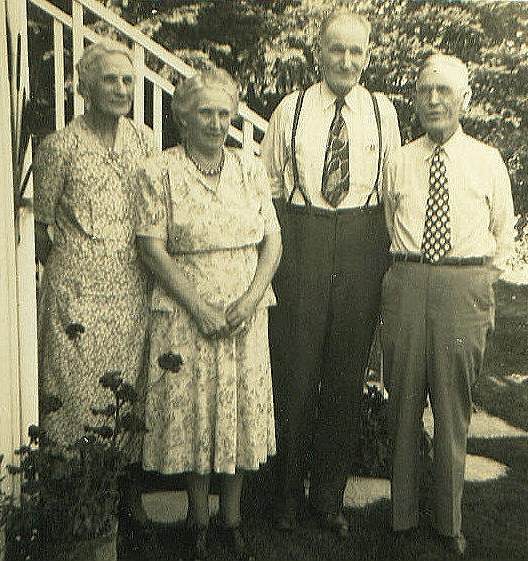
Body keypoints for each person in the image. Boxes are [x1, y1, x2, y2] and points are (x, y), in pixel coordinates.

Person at [261, 11, 401, 535]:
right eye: (336, 49)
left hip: (362, 242)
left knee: (345, 378)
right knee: (294, 376)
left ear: (367, 55)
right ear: (317, 51)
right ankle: (283, 496)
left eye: (356, 51)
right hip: (303, 238)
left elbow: (391, 191)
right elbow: (270, 188)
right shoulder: (291, 109)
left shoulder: (383, 112)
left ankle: (327, 499)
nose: (346, 60)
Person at [136, 67, 282, 561]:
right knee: (197, 414)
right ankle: (198, 519)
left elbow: (273, 241)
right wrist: (198, 308)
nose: (216, 123)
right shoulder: (160, 171)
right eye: (205, 113)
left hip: (245, 312)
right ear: (183, 117)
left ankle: (231, 518)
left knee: (238, 411)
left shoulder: (250, 168)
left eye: (224, 113)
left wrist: (251, 298)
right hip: (186, 311)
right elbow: (151, 248)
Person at [382, 53, 515, 556]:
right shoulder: (399, 160)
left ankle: (447, 522)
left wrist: (475, 284)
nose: (433, 100)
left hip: (463, 288)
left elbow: (503, 235)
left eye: (444, 91)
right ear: (415, 100)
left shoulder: (487, 160)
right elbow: (389, 223)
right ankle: (401, 518)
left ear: (465, 99)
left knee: (452, 408)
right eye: (424, 91)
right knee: (402, 404)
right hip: (408, 279)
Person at [33, 39, 157, 526]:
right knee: (75, 392)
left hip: (131, 289)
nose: (121, 89)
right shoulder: (59, 146)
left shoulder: (144, 141)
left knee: (126, 389)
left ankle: (126, 496)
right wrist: (72, 268)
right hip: (76, 291)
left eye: (128, 80)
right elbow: (42, 225)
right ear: (85, 87)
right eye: (109, 79)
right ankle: (74, 504)